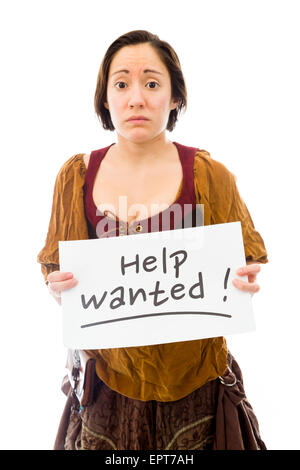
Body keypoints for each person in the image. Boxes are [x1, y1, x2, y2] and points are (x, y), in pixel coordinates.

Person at [37, 30, 269, 451]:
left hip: (196, 387)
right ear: (105, 98)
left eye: (152, 83)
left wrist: (244, 282)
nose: (136, 98)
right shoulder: (76, 177)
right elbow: (56, 273)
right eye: (121, 84)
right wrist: (59, 288)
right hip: (108, 388)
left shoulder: (208, 176)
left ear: (175, 96)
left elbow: (244, 266)